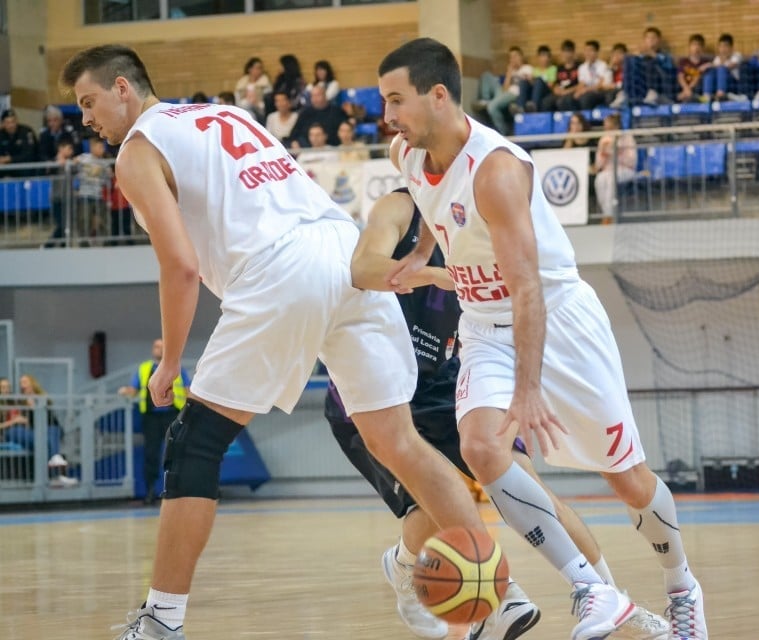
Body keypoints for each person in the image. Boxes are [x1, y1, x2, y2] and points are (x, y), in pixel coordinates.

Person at [62, 44, 490, 640]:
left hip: (280, 271)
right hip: (345, 252)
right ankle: (498, 596)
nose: (86, 119)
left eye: (89, 102)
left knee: (195, 445)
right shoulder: (225, 115)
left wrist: (171, 361)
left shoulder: (138, 151)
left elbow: (181, 269)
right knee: (402, 443)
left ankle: (161, 621)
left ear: (122, 88)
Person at [378, 38, 707, 640]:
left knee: (627, 478)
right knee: (480, 448)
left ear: (440, 96)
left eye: (397, 100)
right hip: (482, 323)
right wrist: (424, 253)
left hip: (556, 320)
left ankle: (683, 585)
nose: (387, 115)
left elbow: (526, 287)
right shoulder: (406, 152)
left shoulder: (497, 170)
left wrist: (527, 390)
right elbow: (432, 204)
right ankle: (590, 589)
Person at [336, 188, 629, 640]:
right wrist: (433, 272)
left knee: (526, 486)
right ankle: (418, 571)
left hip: (441, 377)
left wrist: (526, 386)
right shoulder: (402, 208)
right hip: (373, 379)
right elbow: (363, 268)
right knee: (437, 501)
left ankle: (609, 597)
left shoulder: (495, 230)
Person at [118, 338, 191, 506]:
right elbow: (133, 390)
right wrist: (124, 391)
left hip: (173, 416)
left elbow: (188, 391)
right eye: (156, 346)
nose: (158, 349)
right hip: (151, 418)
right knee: (151, 454)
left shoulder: (178, 369)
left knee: (176, 453)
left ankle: (176, 493)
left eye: (162, 346)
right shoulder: (144, 369)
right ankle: (150, 492)